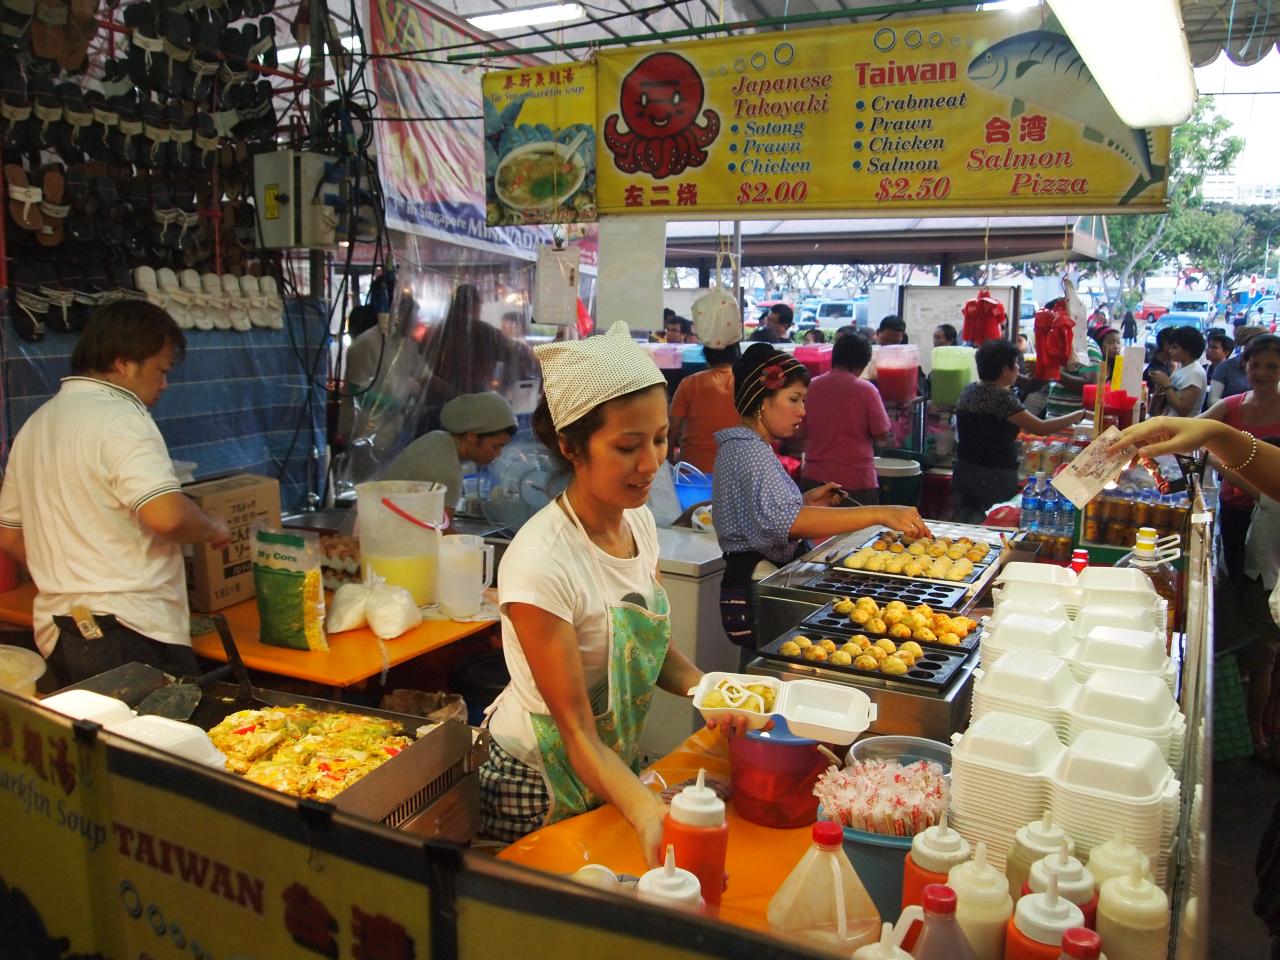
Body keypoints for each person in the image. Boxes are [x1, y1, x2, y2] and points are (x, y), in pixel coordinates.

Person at [479, 322, 738, 865]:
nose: (651, 464)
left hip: (605, 763)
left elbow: (648, 646)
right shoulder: (541, 563)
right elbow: (574, 728)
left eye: (661, 438)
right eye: (627, 446)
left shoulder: (637, 522)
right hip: (536, 780)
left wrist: (713, 691)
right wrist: (645, 809)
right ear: (572, 447)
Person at [0, 303, 231, 686]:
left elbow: (8, 536)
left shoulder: (35, 425)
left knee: (94, 743)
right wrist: (212, 527)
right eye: (161, 370)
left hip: (59, 633)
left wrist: (76, 572)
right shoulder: (123, 418)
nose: (164, 384)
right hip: (130, 630)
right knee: (162, 744)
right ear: (124, 363)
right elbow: (168, 516)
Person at [712, 342, 929, 662]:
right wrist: (881, 513)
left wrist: (804, 501)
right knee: (769, 670)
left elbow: (762, 514)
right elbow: (785, 524)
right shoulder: (750, 452)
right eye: (794, 399)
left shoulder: (744, 447)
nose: (802, 411)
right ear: (761, 400)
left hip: (756, 582)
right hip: (758, 584)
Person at [951, 340, 1085, 523]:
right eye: (1015, 365)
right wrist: (1079, 414)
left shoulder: (969, 390)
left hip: (965, 471)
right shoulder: (1001, 397)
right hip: (992, 477)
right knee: (995, 526)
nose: (1017, 369)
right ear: (1005, 370)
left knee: (968, 526)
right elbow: (1040, 427)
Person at [383, 392, 517, 523]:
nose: (498, 454)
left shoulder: (438, 439)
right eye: (495, 447)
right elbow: (439, 531)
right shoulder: (444, 467)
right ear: (471, 436)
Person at [802, 333, 893, 505]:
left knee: (817, 530)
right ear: (864, 362)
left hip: (814, 478)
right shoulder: (866, 390)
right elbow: (881, 433)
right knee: (859, 532)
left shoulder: (811, 386)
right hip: (855, 481)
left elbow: (799, 432)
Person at [668, 311, 742, 473]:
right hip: (737, 471)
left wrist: (669, 463)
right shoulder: (747, 384)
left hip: (694, 471)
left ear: (706, 354)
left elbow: (673, 429)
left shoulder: (690, 383)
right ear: (737, 353)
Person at [1147, 326, 1207, 417]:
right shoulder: (1182, 367)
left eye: (1175, 348)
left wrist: (1166, 384)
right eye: (1170, 347)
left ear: (1189, 349)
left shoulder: (1195, 373)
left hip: (1182, 427)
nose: (1170, 351)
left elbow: (1183, 410)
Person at [1210, 325, 1267, 405]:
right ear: (1247, 345)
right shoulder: (1225, 367)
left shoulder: (1270, 370)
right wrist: (1239, 406)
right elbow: (1212, 401)